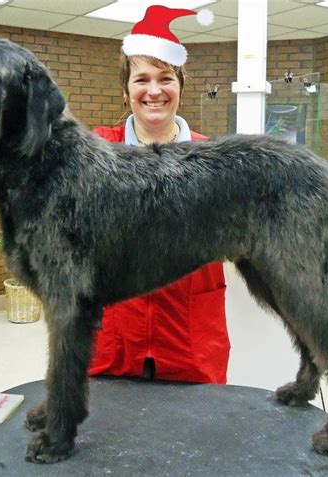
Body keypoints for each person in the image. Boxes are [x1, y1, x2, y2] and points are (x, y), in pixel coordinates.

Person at [88, 5, 230, 384]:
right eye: (141, 79)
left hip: (190, 335)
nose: (154, 91)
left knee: (195, 432)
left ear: (180, 87)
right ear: (126, 91)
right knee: (110, 430)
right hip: (114, 333)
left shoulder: (214, 158)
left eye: (165, 78)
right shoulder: (97, 150)